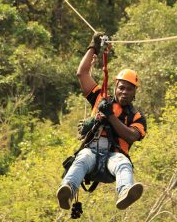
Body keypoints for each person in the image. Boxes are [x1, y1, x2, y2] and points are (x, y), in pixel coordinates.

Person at [56, 32, 147, 211]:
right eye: (121, 88)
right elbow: (82, 73)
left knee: (123, 163)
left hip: (113, 158)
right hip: (91, 152)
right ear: (115, 87)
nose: (124, 92)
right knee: (82, 159)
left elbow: (131, 136)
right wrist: (93, 47)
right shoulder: (100, 97)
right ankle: (67, 190)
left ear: (134, 92)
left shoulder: (137, 117)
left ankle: (125, 191)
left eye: (129, 89)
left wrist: (110, 116)